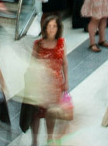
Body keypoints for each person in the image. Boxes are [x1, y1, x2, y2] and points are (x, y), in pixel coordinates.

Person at [30, 15, 69, 146]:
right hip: (39, 84)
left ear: (58, 28)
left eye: (54, 26)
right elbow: (32, 64)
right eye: (49, 26)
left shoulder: (61, 43)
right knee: (35, 113)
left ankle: (49, 138)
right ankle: (34, 140)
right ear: (44, 28)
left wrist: (66, 80)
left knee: (50, 113)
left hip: (55, 84)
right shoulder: (38, 44)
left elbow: (64, 63)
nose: (51, 29)